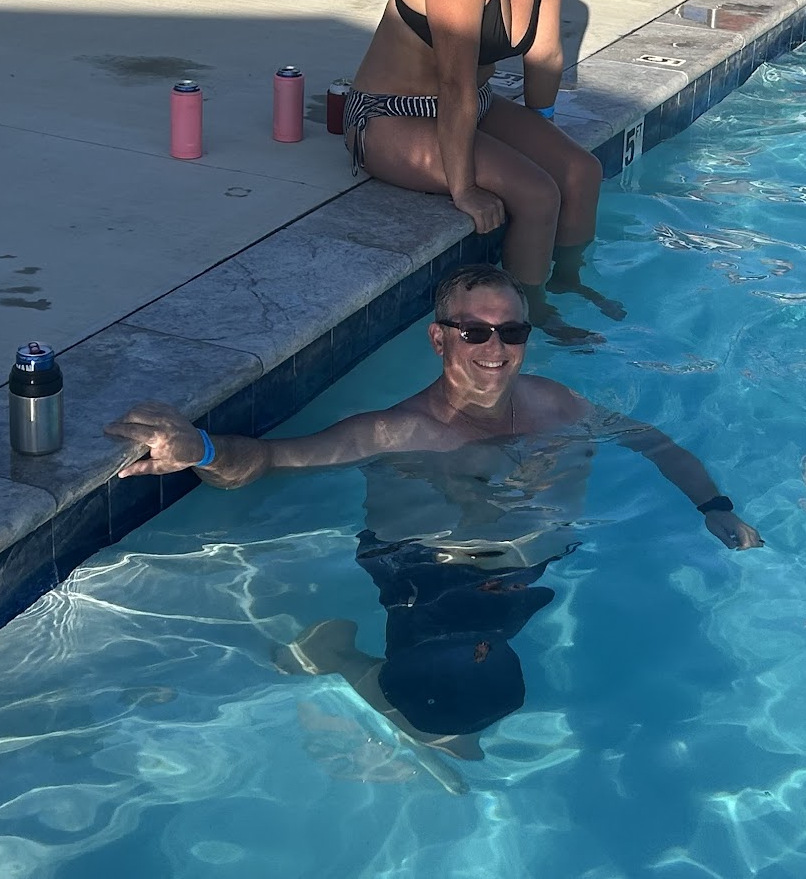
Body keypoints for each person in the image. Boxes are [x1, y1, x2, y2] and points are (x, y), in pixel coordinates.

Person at [105, 265, 762, 758]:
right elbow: (273, 459)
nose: (495, 348)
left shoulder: (556, 403)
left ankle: (360, 669)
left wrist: (714, 507)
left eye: (511, 331)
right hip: (430, 579)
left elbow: (651, 441)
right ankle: (351, 667)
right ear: (439, 339)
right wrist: (202, 450)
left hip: (528, 572)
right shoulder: (398, 431)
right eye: (475, 331)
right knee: (446, 708)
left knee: (498, 694)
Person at [343, 0, 613, 343]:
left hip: (475, 103)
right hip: (389, 117)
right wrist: (463, 187)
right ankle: (529, 316)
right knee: (536, 193)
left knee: (581, 171)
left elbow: (544, 51)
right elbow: (454, 83)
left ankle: (569, 282)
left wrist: (543, 128)